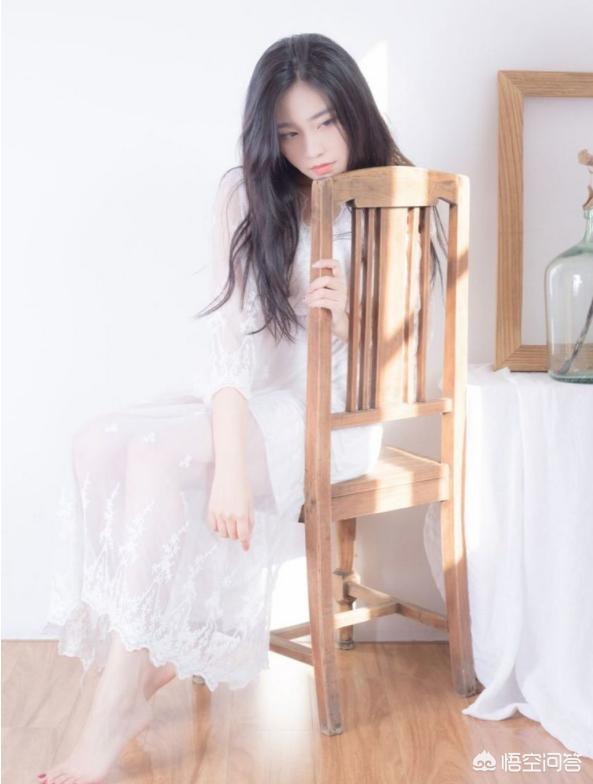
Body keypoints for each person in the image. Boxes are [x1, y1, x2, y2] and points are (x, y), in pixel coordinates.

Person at [38, 32, 446, 784]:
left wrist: (351, 321)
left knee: (157, 458)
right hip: (254, 403)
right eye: (288, 132)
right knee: (99, 441)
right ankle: (153, 654)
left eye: (325, 122)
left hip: (335, 421)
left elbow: (405, 358)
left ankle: (115, 704)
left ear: (354, 108)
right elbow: (227, 346)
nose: (310, 149)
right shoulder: (247, 192)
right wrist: (228, 461)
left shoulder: (396, 196)